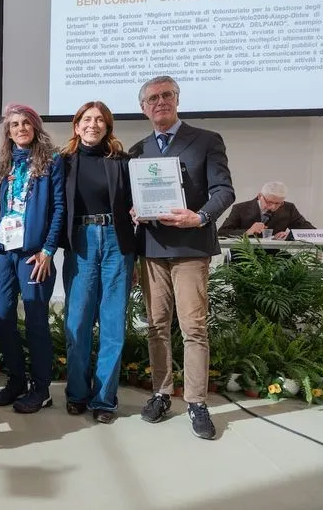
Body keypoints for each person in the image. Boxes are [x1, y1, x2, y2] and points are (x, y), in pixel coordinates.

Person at [130, 75, 235, 440]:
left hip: (191, 247)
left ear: (177, 99)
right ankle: (161, 393)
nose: (160, 101)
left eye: (166, 95)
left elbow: (224, 190)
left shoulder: (206, 139)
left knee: (193, 328)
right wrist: (134, 210)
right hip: (153, 248)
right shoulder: (138, 149)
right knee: (157, 325)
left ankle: (196, 402)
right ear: (143, 108)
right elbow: (135, 198)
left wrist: (200, 216)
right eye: (152, 98)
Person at [0, 103, 64, 414]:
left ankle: (41, 388)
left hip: (34, 256)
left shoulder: (52, 161)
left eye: (25, 123)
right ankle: (16, 380)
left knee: (35, 322)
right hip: (3, 253)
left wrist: (48, 250)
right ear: (8, 131)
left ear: (35, 126)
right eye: (14, 125)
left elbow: (59, 209)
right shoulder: (4, 163)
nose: (20, 128)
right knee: (1, 316)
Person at [59, 101, 136, 424]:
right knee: (77, 323)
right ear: (77, 126)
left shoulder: (122, 162)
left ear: (108, 126)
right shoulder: (62, 162)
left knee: (113, 324)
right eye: (87, 119)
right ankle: (77, 392)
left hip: (118, 243)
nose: (93, 124)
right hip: (81, 243)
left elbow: (137, 202)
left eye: (100, 120)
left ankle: (104, 399)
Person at [218, 181, 315, 240]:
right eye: (269, 202)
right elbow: (222, 232)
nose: (273, 207)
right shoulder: (240, 208)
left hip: (275, 256)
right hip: (243, 255)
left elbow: (310, 231)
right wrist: (248, 231)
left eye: (278, 203)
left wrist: (290, 235)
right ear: (260, 196)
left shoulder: (289, 208)